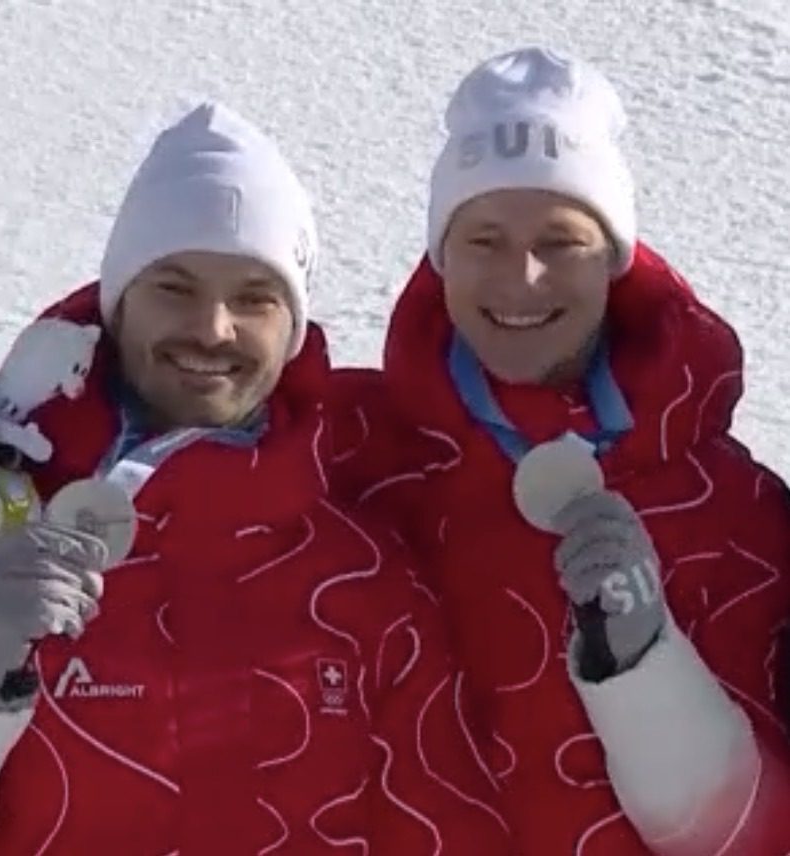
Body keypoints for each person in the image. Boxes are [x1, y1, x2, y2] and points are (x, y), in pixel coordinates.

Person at [0, 104, 510, 854]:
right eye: (174, 287)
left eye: (255, 297)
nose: (214, 328)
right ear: (118, 305)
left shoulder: (363, 583)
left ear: (296, 327)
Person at [330, 47, 790, 854]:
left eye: (561, 239)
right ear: (440, 257)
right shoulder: (351, 454)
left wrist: (648, 666)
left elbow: (758, 835)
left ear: (614, 259)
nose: (523, 276)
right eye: (483, 239)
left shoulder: (734, 507)